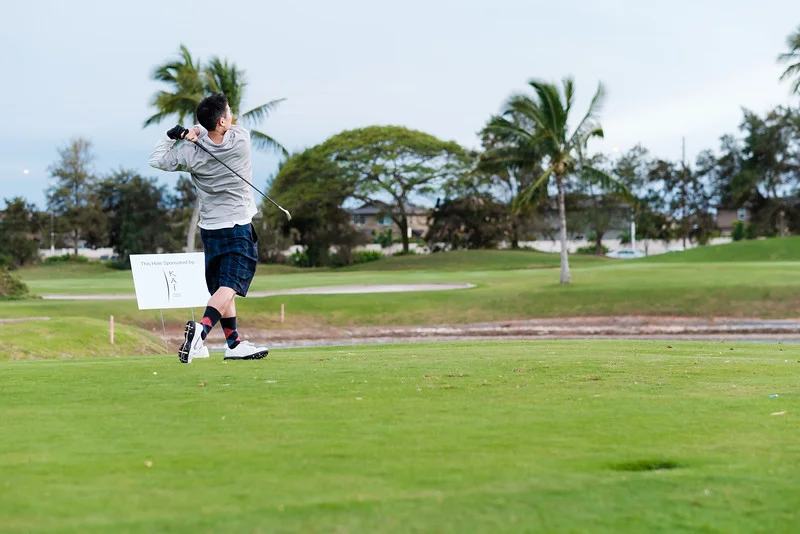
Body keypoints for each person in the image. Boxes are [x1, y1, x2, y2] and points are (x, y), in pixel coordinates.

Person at [149, 93, 268, 364]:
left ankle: (234, 343)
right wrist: (198, 130)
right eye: (228, 113)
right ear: (224, 121)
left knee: (221, 288)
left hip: (211, 229)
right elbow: (218, 129)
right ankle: (200, 332)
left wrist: (176, 135)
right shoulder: (241, 141)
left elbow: (156, 160)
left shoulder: (190, 152)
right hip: (238, 226)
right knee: (230, 286)